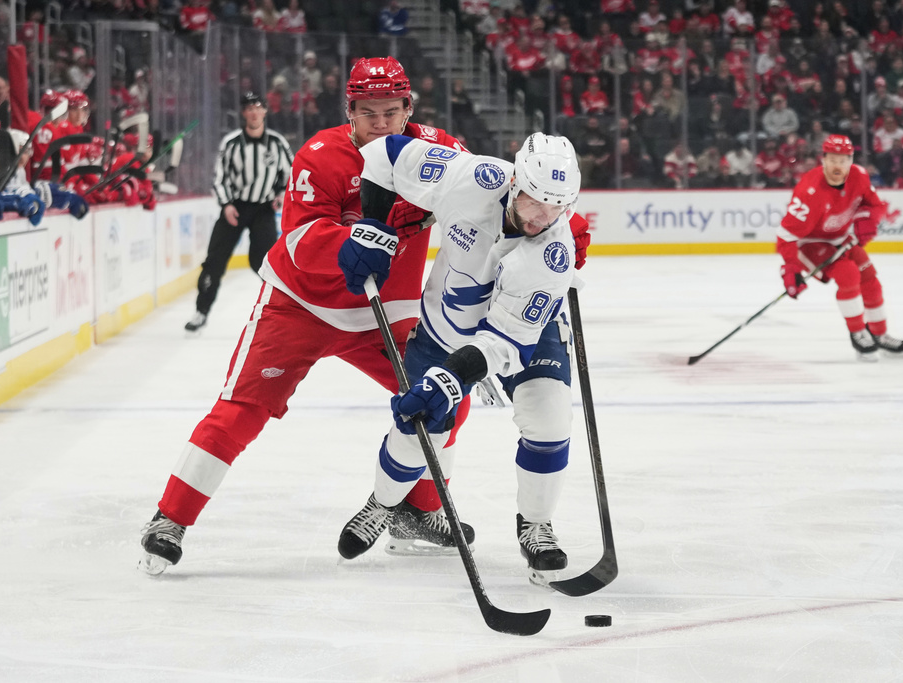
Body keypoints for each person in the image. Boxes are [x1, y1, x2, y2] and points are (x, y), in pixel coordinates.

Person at [139, 58, 498, 575]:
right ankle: (169, 519)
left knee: (446, 399)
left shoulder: (441, 153)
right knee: (243, 409)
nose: (380, 123)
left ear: (408, 110)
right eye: (367, 113)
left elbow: (495, 197)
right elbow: (301, 241)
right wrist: (351, 240)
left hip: (384, 316)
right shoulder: (321, 156)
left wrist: (550, 220)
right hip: (300, 306)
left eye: (391, 112)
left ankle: (416, 511)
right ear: (349, 110)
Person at [337, 132, 589, 583]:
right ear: (515, 182)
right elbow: (382, 155)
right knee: (420, 432)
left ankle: (535, 524)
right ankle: (383, 503)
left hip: (521, 336)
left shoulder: (553, 255)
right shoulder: (470, 177)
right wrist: (372, 226)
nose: (543, 217)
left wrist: (449, 380)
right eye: (535, 201)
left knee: (550, 418)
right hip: (443, 330)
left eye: (558, 207)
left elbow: (505, 344)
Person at [777, 134, 903, 361]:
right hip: (810, 243)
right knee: (848, 275)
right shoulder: (809, 191)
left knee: (870, 279)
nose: (838, 165)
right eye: (833, 159)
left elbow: (874, 205)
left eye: (843, 160)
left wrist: (868, 218)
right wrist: (790, 268)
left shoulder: (860, 176)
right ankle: (858, 332)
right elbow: (786, 234)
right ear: (823, 160)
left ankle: (879, 334)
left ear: (851, 160)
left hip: (839, 238)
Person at [185, 92, 293, 332]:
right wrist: (226, 205)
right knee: (214, 261)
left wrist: (280, 195)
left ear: (265, 111)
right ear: (244, 113)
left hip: (263, 210)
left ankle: (282, 312)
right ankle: (201, 311)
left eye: (258, 107)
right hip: (235, 208)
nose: (254, 112)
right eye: (249, 108)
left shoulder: (277, 142)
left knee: (265, 263)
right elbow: (219, 178)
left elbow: (292, 173)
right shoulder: (231, 143)